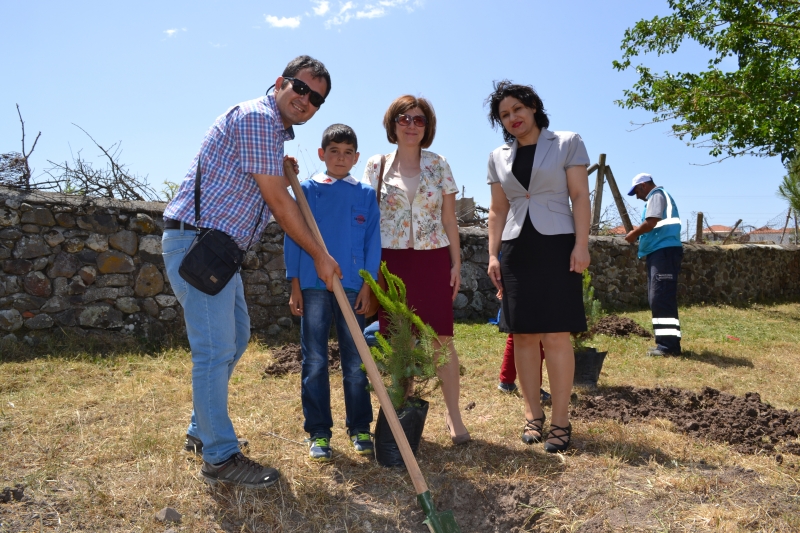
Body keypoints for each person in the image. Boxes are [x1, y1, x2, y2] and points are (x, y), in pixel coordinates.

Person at [161, 55, 340, 489]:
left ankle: (201, 429)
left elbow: (259, 186)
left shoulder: (268, 133)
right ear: (280, 82)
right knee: (214, 349)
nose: (306, 100)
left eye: (316, 99)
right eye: (301, 88)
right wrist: (319, 254)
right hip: (201, 246)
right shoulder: (259, 118)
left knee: (235, 337)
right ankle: (219, 459)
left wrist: (280, 168)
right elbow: (280, 205)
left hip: (220, 251)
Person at [485, 80, 591, 453]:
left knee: (556, 335)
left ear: (532, 107)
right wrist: (493, 254)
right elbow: (498, 210)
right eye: (504, 115)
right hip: (516, 249)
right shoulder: (498, 156)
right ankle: (533, 416)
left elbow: (579, 195)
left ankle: (561, 421)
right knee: (525, 336)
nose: (512, 118)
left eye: (517, 109)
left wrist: (581, 244)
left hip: (558, 245)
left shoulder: (566, 142)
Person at [363, 95, 470, 445]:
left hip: (432, 258)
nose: (411, 125)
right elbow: (367, 222)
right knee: (400, 343)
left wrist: (456, 264)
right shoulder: (376, 166)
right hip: (391, 263)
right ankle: (401, 414)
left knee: (441, 341)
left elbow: (449, 219)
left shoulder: (439, 165)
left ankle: (454, 418)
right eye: (403, 118)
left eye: (419, 119)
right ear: (392, 124)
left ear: (428, 127)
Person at [284, 124, 380, 461]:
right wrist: (294, 282)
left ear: (356, 157)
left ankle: (359, 427)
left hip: (352, 286)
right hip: (312, 285)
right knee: (314, 359)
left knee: (356, 361)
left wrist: (369, 285)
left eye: (348, 152)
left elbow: (373, 244)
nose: (340, 157)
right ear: (322, 154)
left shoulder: (366, 195)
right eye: (333, 151)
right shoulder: (307, 189)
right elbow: (294, 237)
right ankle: (319, 432)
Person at [624, 173, 683, 356]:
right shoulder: (659, 196)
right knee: (658, 298)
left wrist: (634, 234)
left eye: (636, 192)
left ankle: (668, 347)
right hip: (660, 251)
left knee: (660, 298)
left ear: (643, 186)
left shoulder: (656, 195)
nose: (637, 196)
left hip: (663, 251)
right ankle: (666, 345)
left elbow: (651, 222)